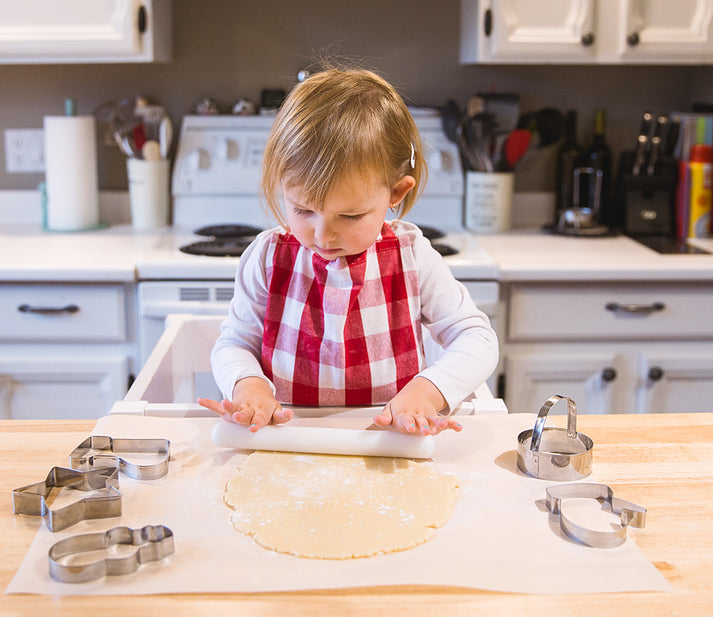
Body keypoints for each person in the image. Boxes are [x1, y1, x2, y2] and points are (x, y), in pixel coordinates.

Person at [198, 67, 498, 436]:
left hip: (388, 443)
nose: (322, 235)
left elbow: (477, 339)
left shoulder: (413, 258)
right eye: (303, 209)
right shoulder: (267, 257)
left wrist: (427, 392)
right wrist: (248, 384)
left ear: (396, 193)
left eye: (351, 215)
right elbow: (235, 341)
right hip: (289, 440)